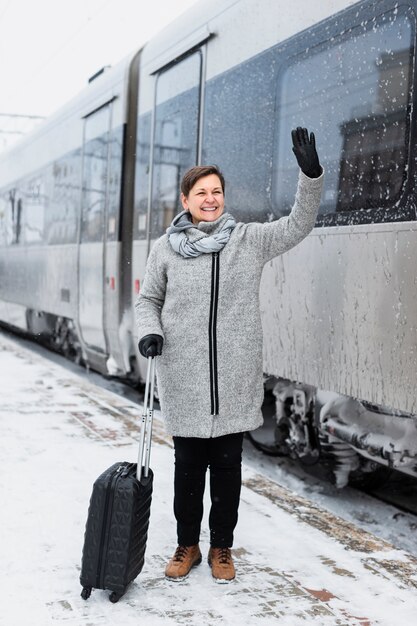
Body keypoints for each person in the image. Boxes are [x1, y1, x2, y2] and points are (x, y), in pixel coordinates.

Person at [135, 127, 323, 583]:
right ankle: (187, 545)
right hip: (184, 377)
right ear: (185, 201)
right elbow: (148, 301)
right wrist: (150, 333)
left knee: (226, 472)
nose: (211, 199)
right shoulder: (166, 250)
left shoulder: (248, 240)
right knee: (187, 473)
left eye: (217, 191)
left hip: (234, 379)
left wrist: (310, 176)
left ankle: (222, 547)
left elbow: (298, 224)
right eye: (201, 193)